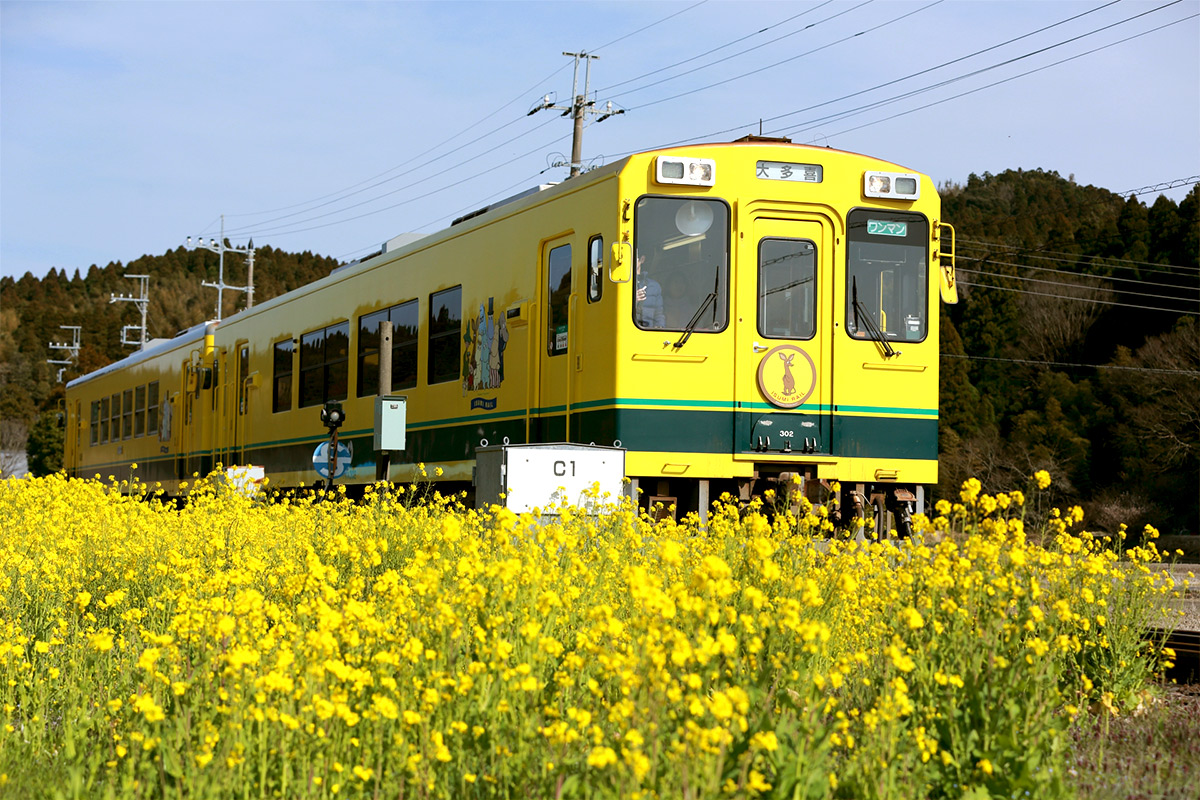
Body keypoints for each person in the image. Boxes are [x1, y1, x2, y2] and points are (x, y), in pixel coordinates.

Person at [635, 252, 666, 329]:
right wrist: (633, 302)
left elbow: (659, 313)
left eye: (632, 257)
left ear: (642, 259)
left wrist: (659, 327)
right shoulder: (619, 285)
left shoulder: (654, 286)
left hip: (649, 332)